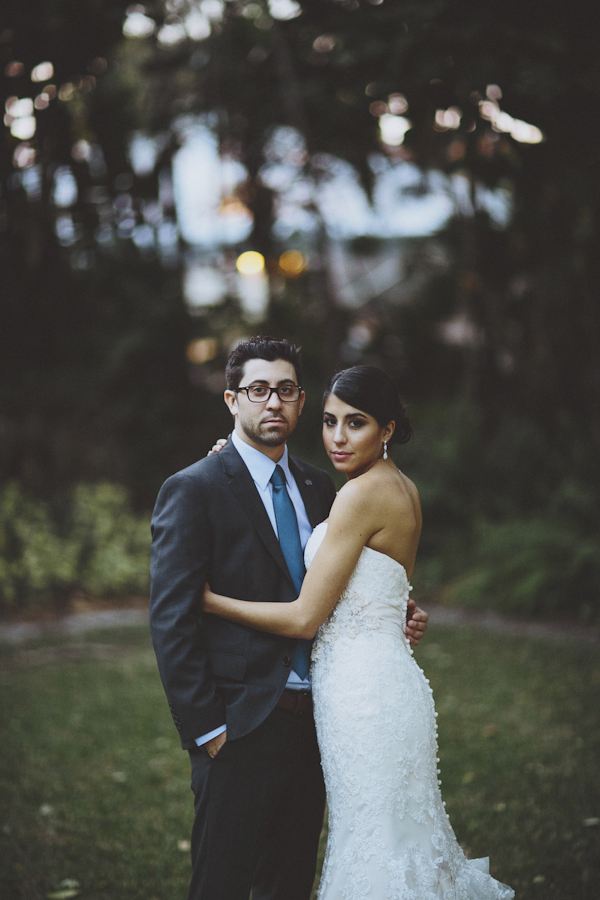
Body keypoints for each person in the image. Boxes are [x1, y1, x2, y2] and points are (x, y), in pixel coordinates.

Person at [203, 364, 515, 900]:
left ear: (387, 430)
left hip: (363, 695)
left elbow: (305, 617)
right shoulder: (395, 487)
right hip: (383, 682)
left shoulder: (359, 495)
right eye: (328, 422)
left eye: (357, 423)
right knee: (398, 846)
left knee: (378, 851)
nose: (338, 439)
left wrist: (208, 599)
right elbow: (375, 580)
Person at [149, 338, 429, 900]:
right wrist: (209, 730)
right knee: (222, 885)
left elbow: (341, 581)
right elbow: (170, 620)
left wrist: (397, 605)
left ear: (301, 402)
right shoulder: (195, 488)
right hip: (239, 723)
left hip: (320, 724)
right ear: (232, 400)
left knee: (290, 883)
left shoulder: (321, 486)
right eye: (257, 390)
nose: (272, 402)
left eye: (285, 390)